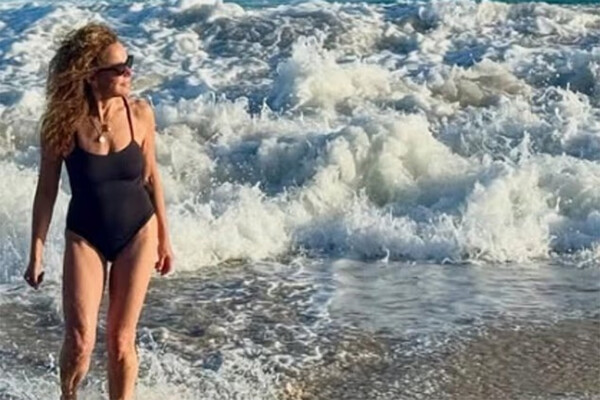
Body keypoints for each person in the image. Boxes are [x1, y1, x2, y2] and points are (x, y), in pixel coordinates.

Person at [22, 23, 174, 400]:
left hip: (138, 231)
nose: (128, 72)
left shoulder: (140, 113)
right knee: (79, 341)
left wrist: (164, 239)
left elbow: (151, 177)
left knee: (121, 340)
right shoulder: (62, 123)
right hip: (85, 234)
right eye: (118, 68)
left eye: (129, 63)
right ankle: (68, 396)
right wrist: (36, 251)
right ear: (91, 76)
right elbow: (46, 190)